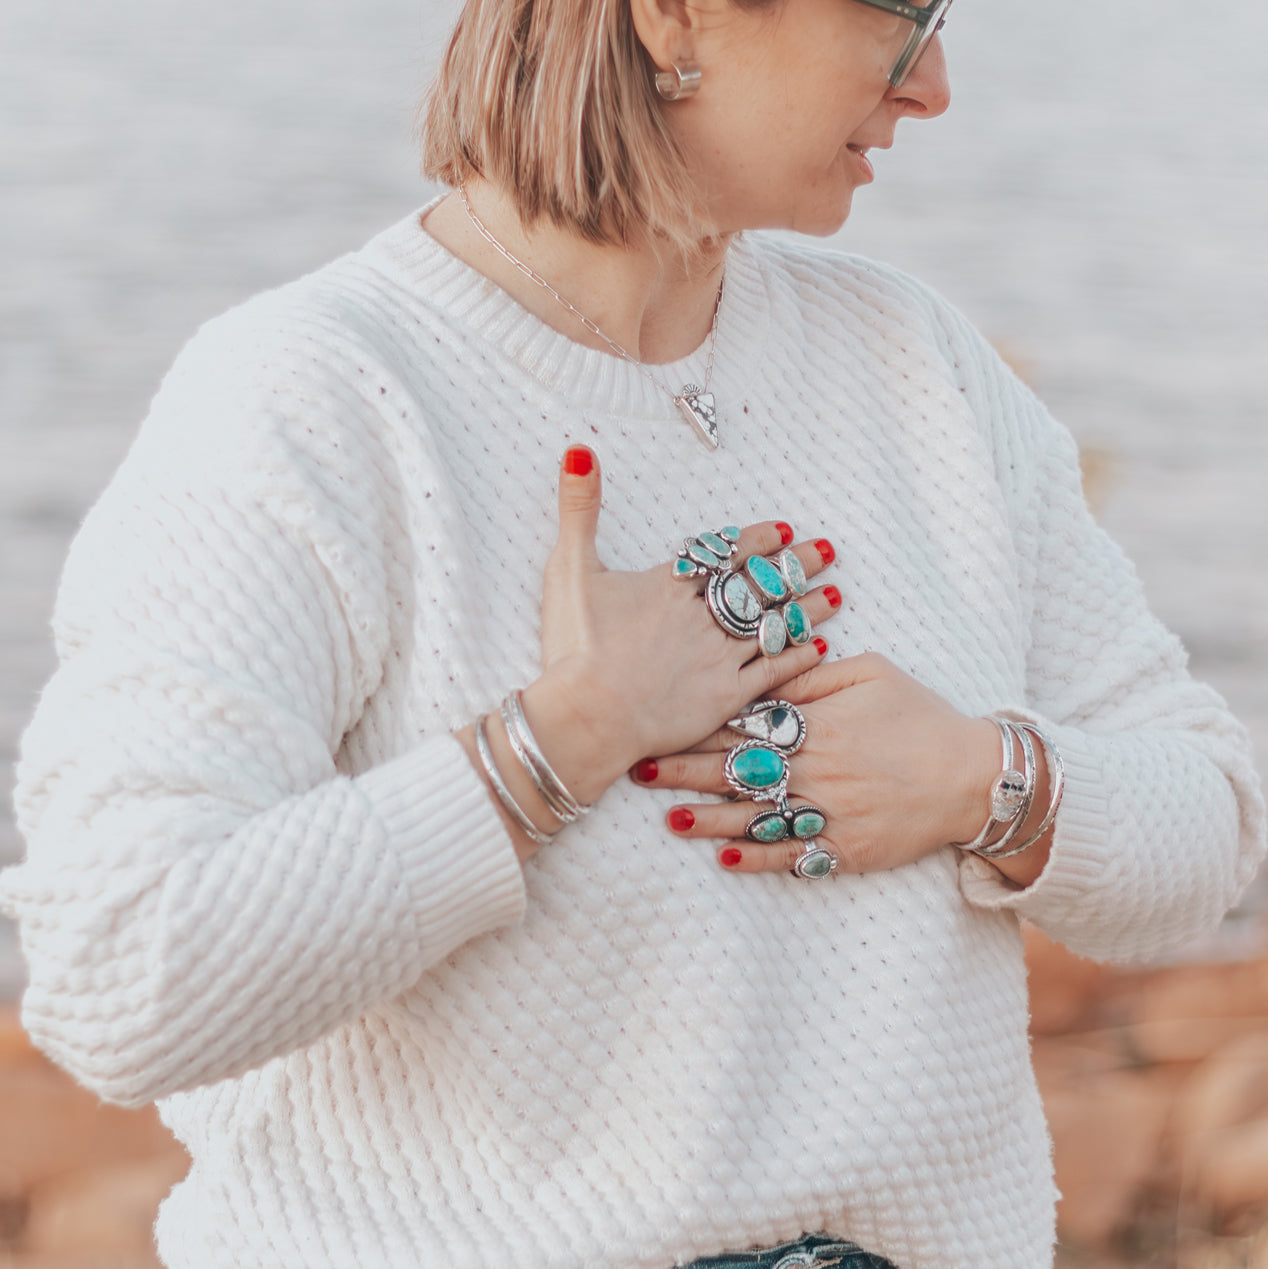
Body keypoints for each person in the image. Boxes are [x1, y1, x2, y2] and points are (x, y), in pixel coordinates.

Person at [2, 0, 1263, 1265]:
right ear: (670, 16)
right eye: (898, 12)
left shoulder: (916, 361)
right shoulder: (313, 397)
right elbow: (120, 974)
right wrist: (562, 739)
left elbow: (1209, 829)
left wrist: (977, 780)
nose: (929, 84)